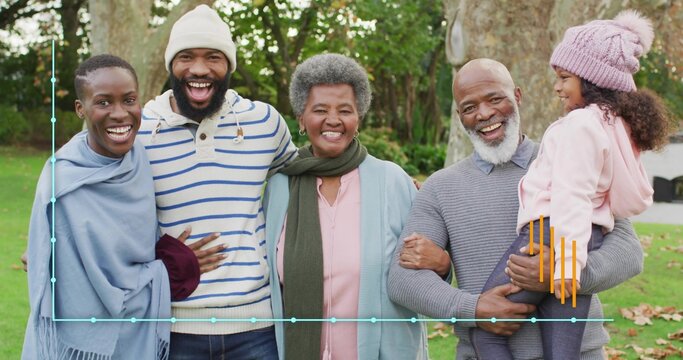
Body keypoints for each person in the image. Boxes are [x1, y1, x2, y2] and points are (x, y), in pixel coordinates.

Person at [388, 58, 645, 360]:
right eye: (470, 108)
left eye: (495, 99)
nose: (484, 114)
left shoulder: (571, 157)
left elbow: (629, 251)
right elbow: (402, 281)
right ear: (460, 116)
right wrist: (474, 309)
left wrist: (563, 274)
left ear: (518, 97)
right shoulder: (440, 187)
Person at [469, 10, 672, 359]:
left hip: (550, 235)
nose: (557, 87)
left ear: (592, 79)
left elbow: (571, 195)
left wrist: (565, 262)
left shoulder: (579, 124)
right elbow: (634, 198)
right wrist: (574, 262)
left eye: (564, 77)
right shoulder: (614, 125)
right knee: (563, 353)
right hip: (585, 241)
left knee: (487, 330)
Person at [135, 5, 297, 358]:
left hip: (257, 327)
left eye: (213, 57)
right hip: (174, 327)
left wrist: (391, 183)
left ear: (229, 66)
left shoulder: (264, 123)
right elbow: (95, 193)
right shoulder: (140, 129)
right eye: (186, 57)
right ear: (170, 65)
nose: (199, 69)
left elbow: (309, 175)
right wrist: (52, 236)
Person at [263, 53, 427, 359]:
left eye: (345, 110)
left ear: (359, 118)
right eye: (320, 109)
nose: (333, 120)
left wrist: (441, 264)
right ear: (301, 118)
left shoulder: (392, 182)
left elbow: (427, 270)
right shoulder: (280, 186)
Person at [23, 54, 185, 359]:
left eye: (129, 100)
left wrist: (176, 262)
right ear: (80, 108)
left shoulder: (143, 160)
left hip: (138, 329)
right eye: (103, 102)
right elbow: (45, 251)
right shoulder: (62, 177)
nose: (120, 113)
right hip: (78, 341)